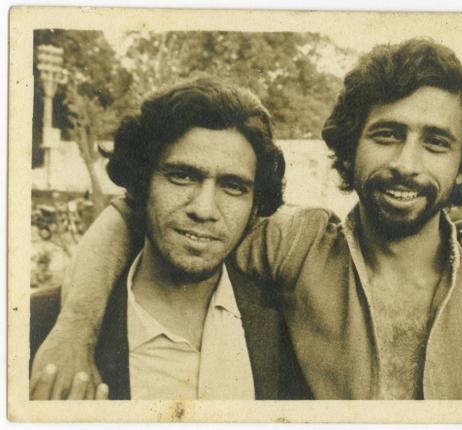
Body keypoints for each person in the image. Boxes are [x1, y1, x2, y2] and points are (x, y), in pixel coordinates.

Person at [31, 39, 462, 400]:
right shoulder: (296, 248)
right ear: (349, 148)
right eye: (386, 135)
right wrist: (74, 328)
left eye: (436, 143)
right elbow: (137, 213)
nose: (407, 164)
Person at [30, 79, 311, 400]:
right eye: (182, 176)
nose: (204, 210)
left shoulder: (283, 328)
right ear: (142, 183)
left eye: (233, 187)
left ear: (255, 206)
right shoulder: (38, 325)